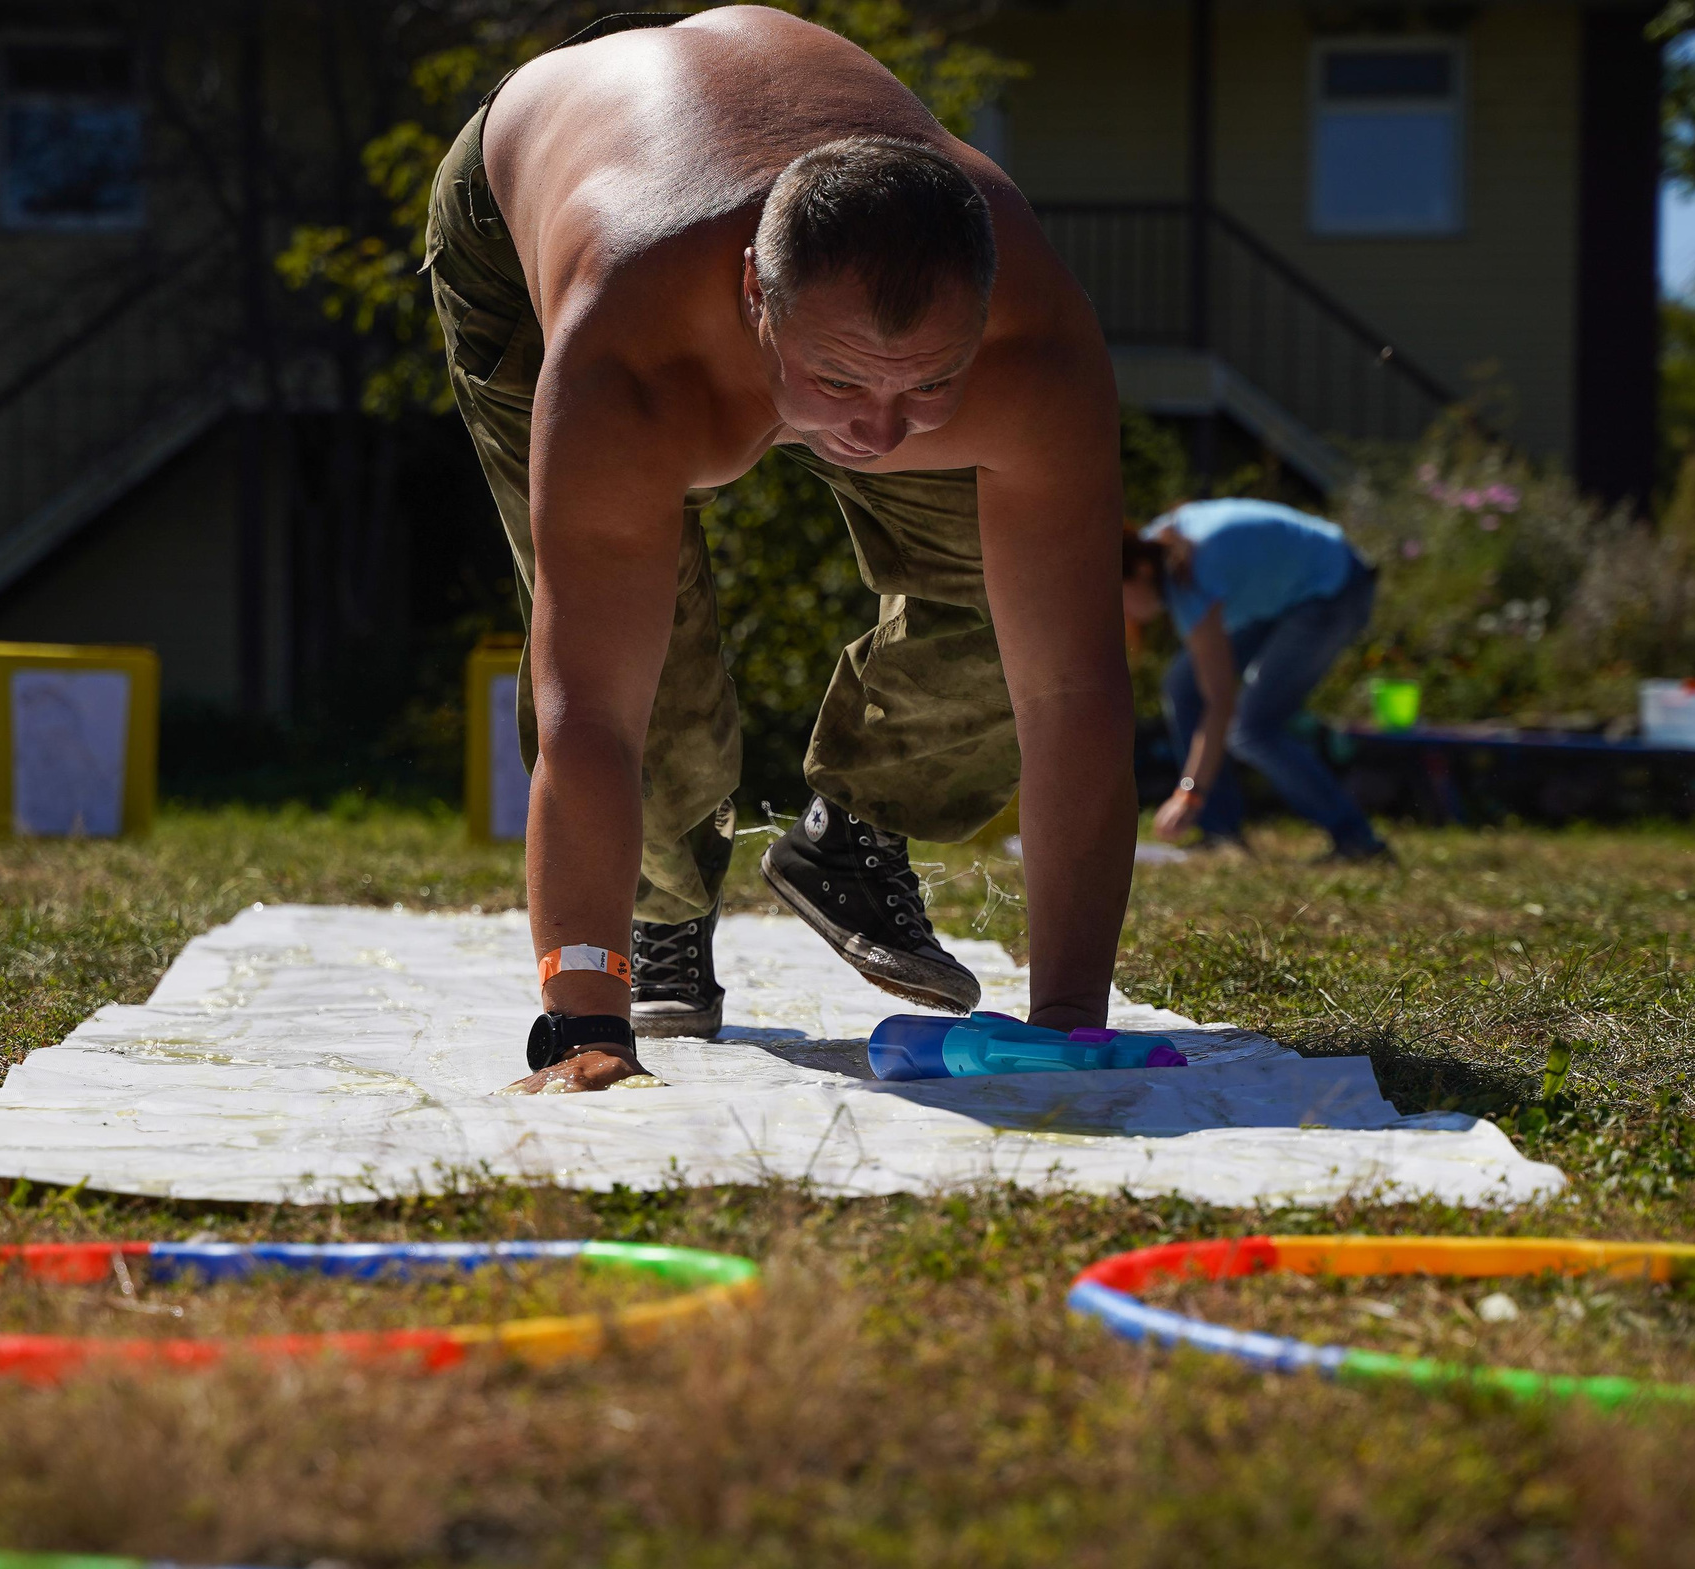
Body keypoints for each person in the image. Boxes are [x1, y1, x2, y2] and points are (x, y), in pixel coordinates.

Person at [429, 9, 1136, 1093]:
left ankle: (853, 832)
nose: (885, 434)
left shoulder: (1035, 355)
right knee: (648, 674)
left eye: (932, 384)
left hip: (767, 191)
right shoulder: (632, 355)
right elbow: (593, 711)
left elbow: (1073, 694)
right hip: (528, 193)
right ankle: (658, 917)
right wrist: (583, 1023)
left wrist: (1069, 1020)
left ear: (985, 318)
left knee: (1001, 625)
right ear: (756, 299)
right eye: (842, 384)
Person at [1120, 498, 1391, 861]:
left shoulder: (1188, 577)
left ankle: (1357, 840)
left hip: (1334, 586)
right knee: (1183, 688)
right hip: (1283, 592)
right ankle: (1220, 832)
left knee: (1254, 728)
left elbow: (1219, 702)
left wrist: (1188, 791)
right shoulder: (1160, 542)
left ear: (1141, 571)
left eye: (1116, 597)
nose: (1118, 612)